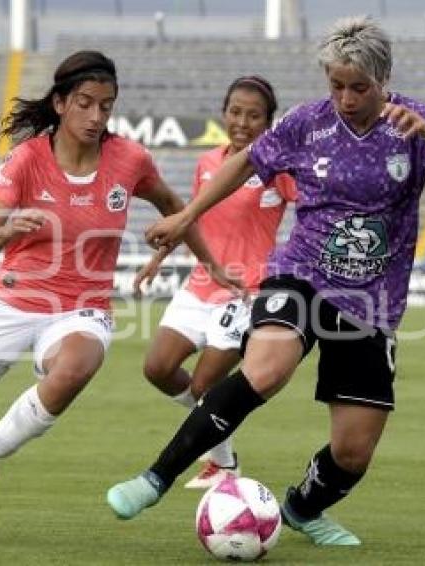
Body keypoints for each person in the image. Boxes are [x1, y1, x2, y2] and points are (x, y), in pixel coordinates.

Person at [106, 16, 425, 547]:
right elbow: (241, 166)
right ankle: (155, 478)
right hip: (299, 272)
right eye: (336, 84)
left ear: (383, 78)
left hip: (370, 302)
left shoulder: (414, 121)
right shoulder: (307, 124)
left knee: (353, 452)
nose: (346, 98)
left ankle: (303, 508)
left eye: (359, 87)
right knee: (266, 369)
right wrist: (187, 217)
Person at [0, 50, 239, 537]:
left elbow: (175, 208)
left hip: (82, 308)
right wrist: (8, 226)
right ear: (61, 103)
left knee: (77, 366)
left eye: (106, 105)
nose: (96, 116)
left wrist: (202, 258)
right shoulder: (26, 160)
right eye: (85, 103)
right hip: (10, 302)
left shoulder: (129, 159)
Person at [137, 76, 296, 489]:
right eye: (235, 112)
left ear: (268, 122)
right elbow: (190, 220)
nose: (242, 122)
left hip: (246, 292)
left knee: (206, 383)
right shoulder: (208, 163)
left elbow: (313, 206)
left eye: (254, 115)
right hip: (201, 283)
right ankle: (223, 457)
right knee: (157, 367)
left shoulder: (276, 168)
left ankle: (220, 462)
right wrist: (158, 258)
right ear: (224, 113)